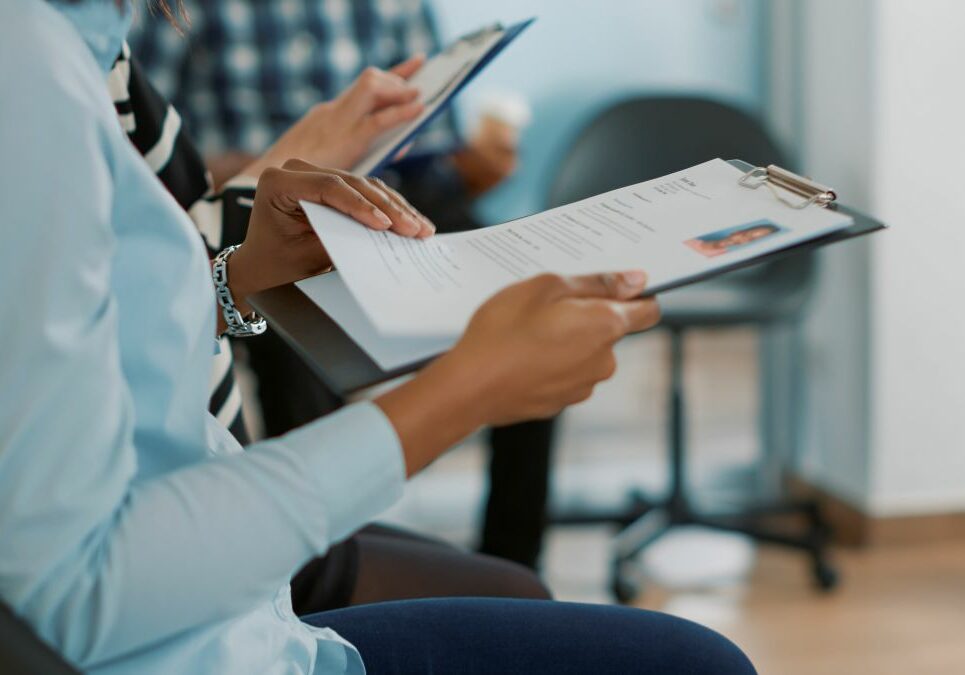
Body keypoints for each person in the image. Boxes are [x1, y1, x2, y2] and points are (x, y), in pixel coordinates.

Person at [0, 1, 758, 673]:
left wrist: (237, 273)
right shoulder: (30, 70)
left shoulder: (75, 43)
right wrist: (460, 393)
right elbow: (76, 597)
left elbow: (102, 321)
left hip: (234, 608)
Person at [106, 40, 550, 612]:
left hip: (215, 469)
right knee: (524, 603)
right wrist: (287, 158)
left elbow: (157, 284)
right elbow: (139, 298)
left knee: (521, 295)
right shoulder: (65, 64)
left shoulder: (101, 47)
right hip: (192, 513)